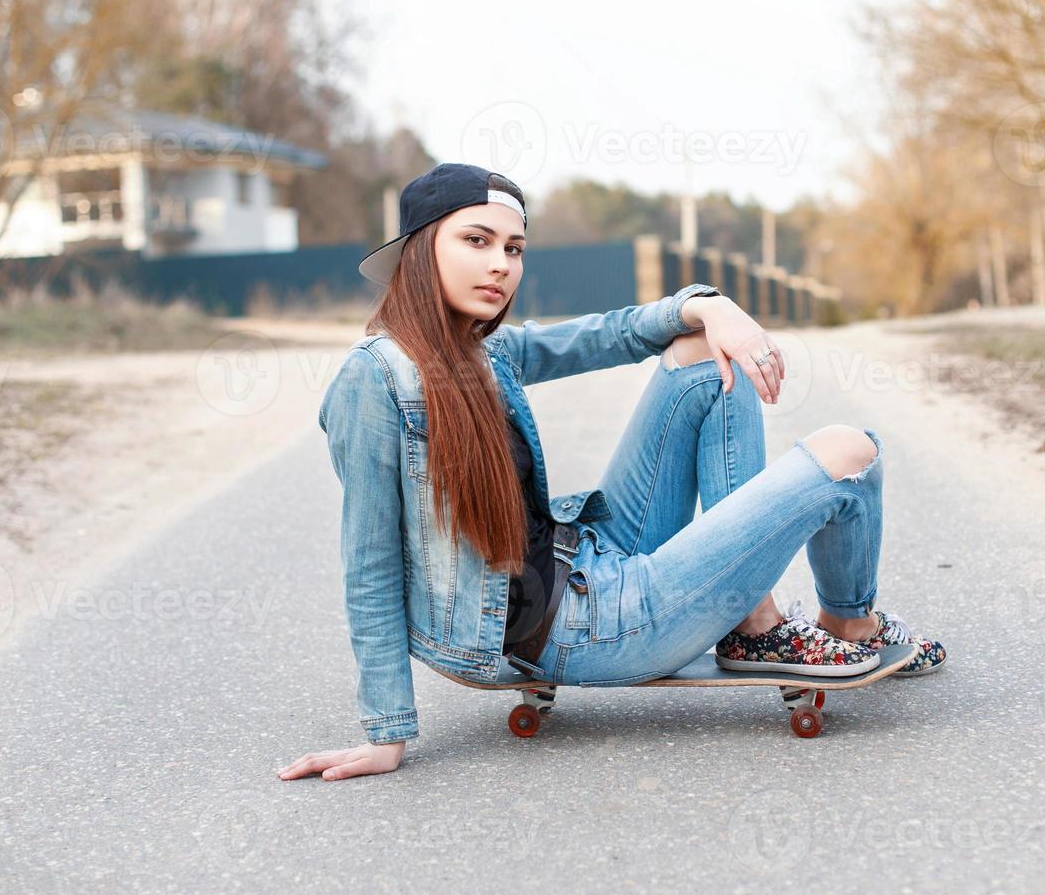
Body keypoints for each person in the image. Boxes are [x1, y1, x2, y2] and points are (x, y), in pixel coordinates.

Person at [279, 163, 944, 784]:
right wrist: (385, 732)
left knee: (699, 352)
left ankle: (777, 623)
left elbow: (612, 334)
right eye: (477, 241)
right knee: (849, 451)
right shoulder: (376, 377)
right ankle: (792, 622)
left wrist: (708, 306)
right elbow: (368, 560)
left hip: (589, 556)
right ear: (422, 250)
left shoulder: (481, 347)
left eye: (513, 248)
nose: (499, 264)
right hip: (587, 629)